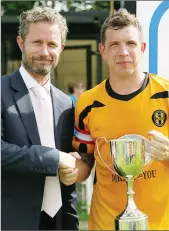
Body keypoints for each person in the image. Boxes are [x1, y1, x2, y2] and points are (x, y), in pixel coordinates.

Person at [59, 9, 169, 230]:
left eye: (130, 43)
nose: (123, 52)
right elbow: (86, 164)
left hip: (161, 223)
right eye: (114, 45)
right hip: (105, 223)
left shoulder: (166, 93)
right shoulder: (87, 102)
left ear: (143, 48)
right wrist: (71, 171)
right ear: (102, 51)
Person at [1, 6, 80, 230]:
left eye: (52, 44)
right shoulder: (1, 90)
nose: (45, 52)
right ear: (20, 42)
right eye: (37, 42)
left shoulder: (66, 103)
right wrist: (53, 158)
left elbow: (68, 168)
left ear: (61, 48)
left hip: (58, 222)